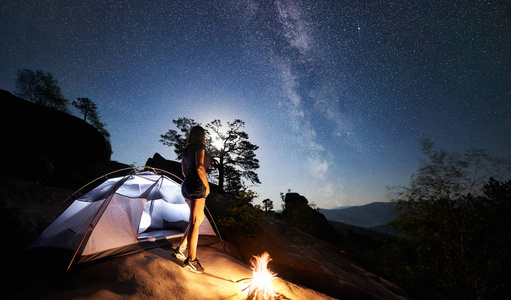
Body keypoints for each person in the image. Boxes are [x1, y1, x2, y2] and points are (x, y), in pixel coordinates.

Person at [172, 125, 211, 273]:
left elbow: (184, 171)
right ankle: (191, 260)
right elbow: (200, 167)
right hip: (196, 186)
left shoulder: (185, 150)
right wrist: (206, 186)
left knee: (197, 220)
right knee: (195, 222)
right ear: (202, 136)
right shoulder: (200, 147)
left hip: (186, 185)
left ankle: (180, 249)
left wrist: (190, 180)